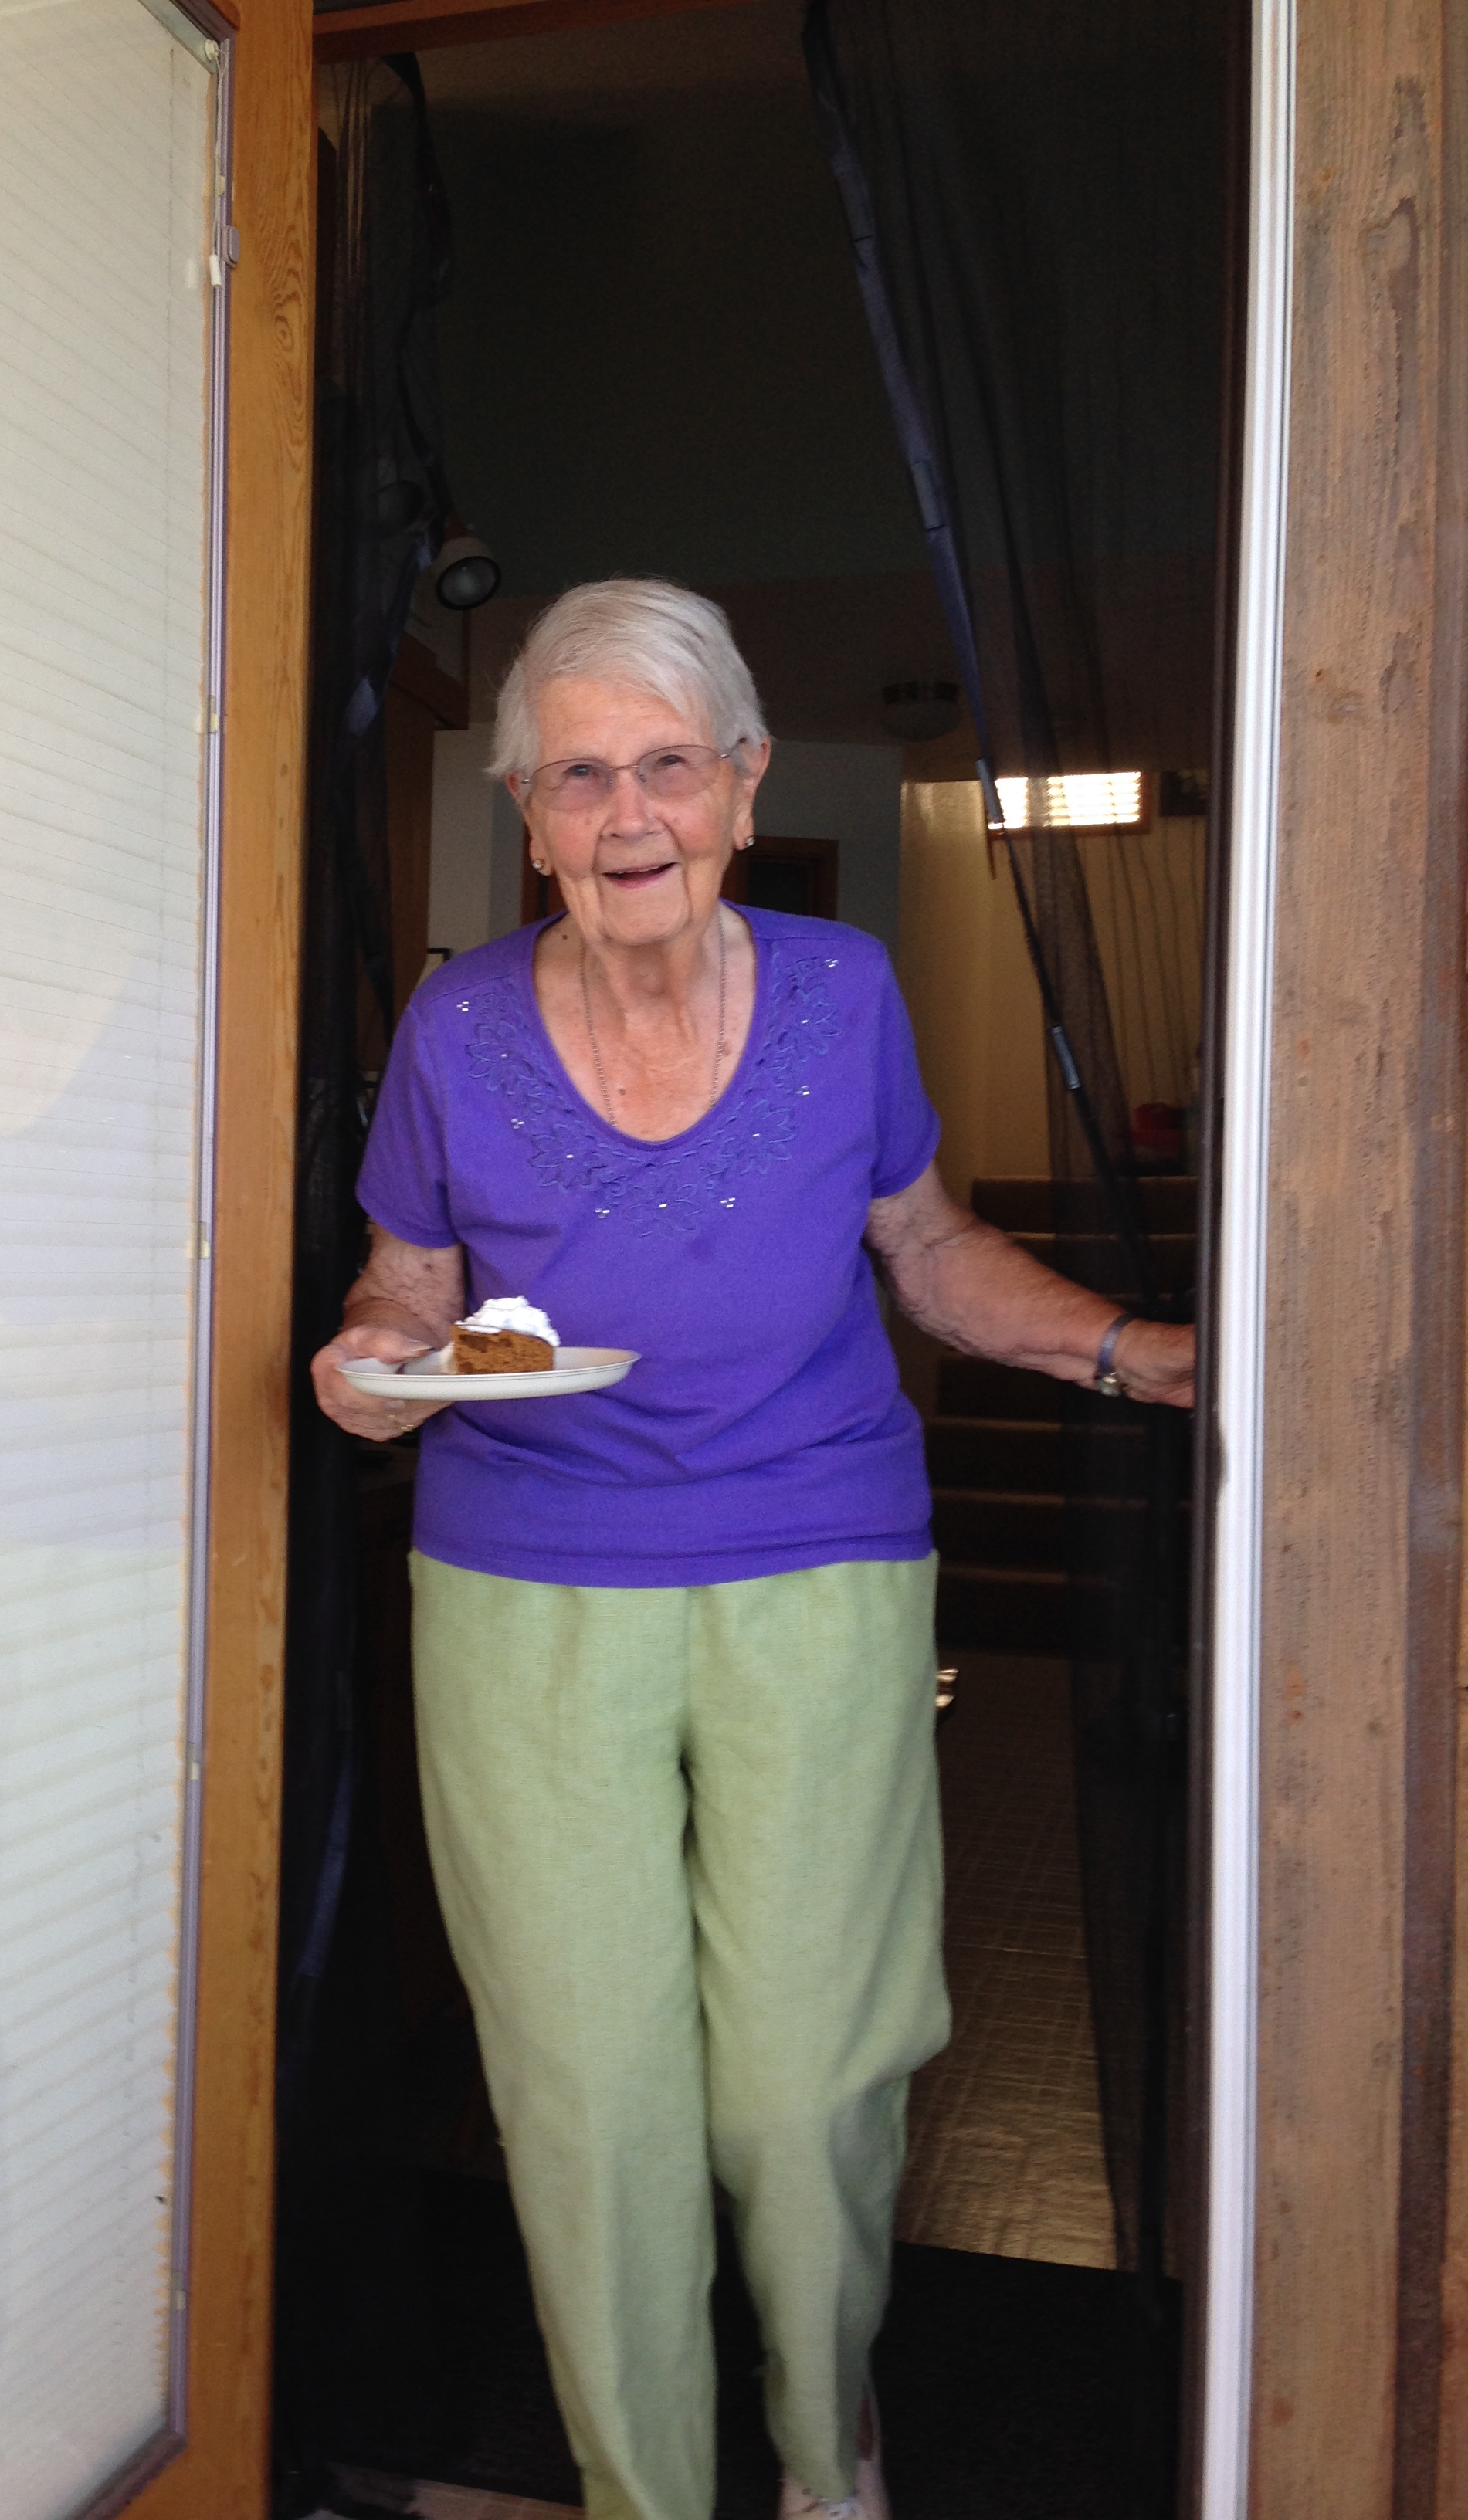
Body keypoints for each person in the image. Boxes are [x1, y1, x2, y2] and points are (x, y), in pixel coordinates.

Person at [311, 580, 1195, 2520]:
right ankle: (641, 2486)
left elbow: (929, 1250)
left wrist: (1138, 1352)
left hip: (820, 1558)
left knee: (809, 2081)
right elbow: (412, 1285)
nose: (629, 814)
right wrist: (374, 1365)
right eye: (579, 777)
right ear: (529, 811)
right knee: (590, 2095)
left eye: (668, 766)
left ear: (745, 780)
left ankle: (824, 2434)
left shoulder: (843, 991)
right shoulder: (457, 1025)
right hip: (525, 1582)